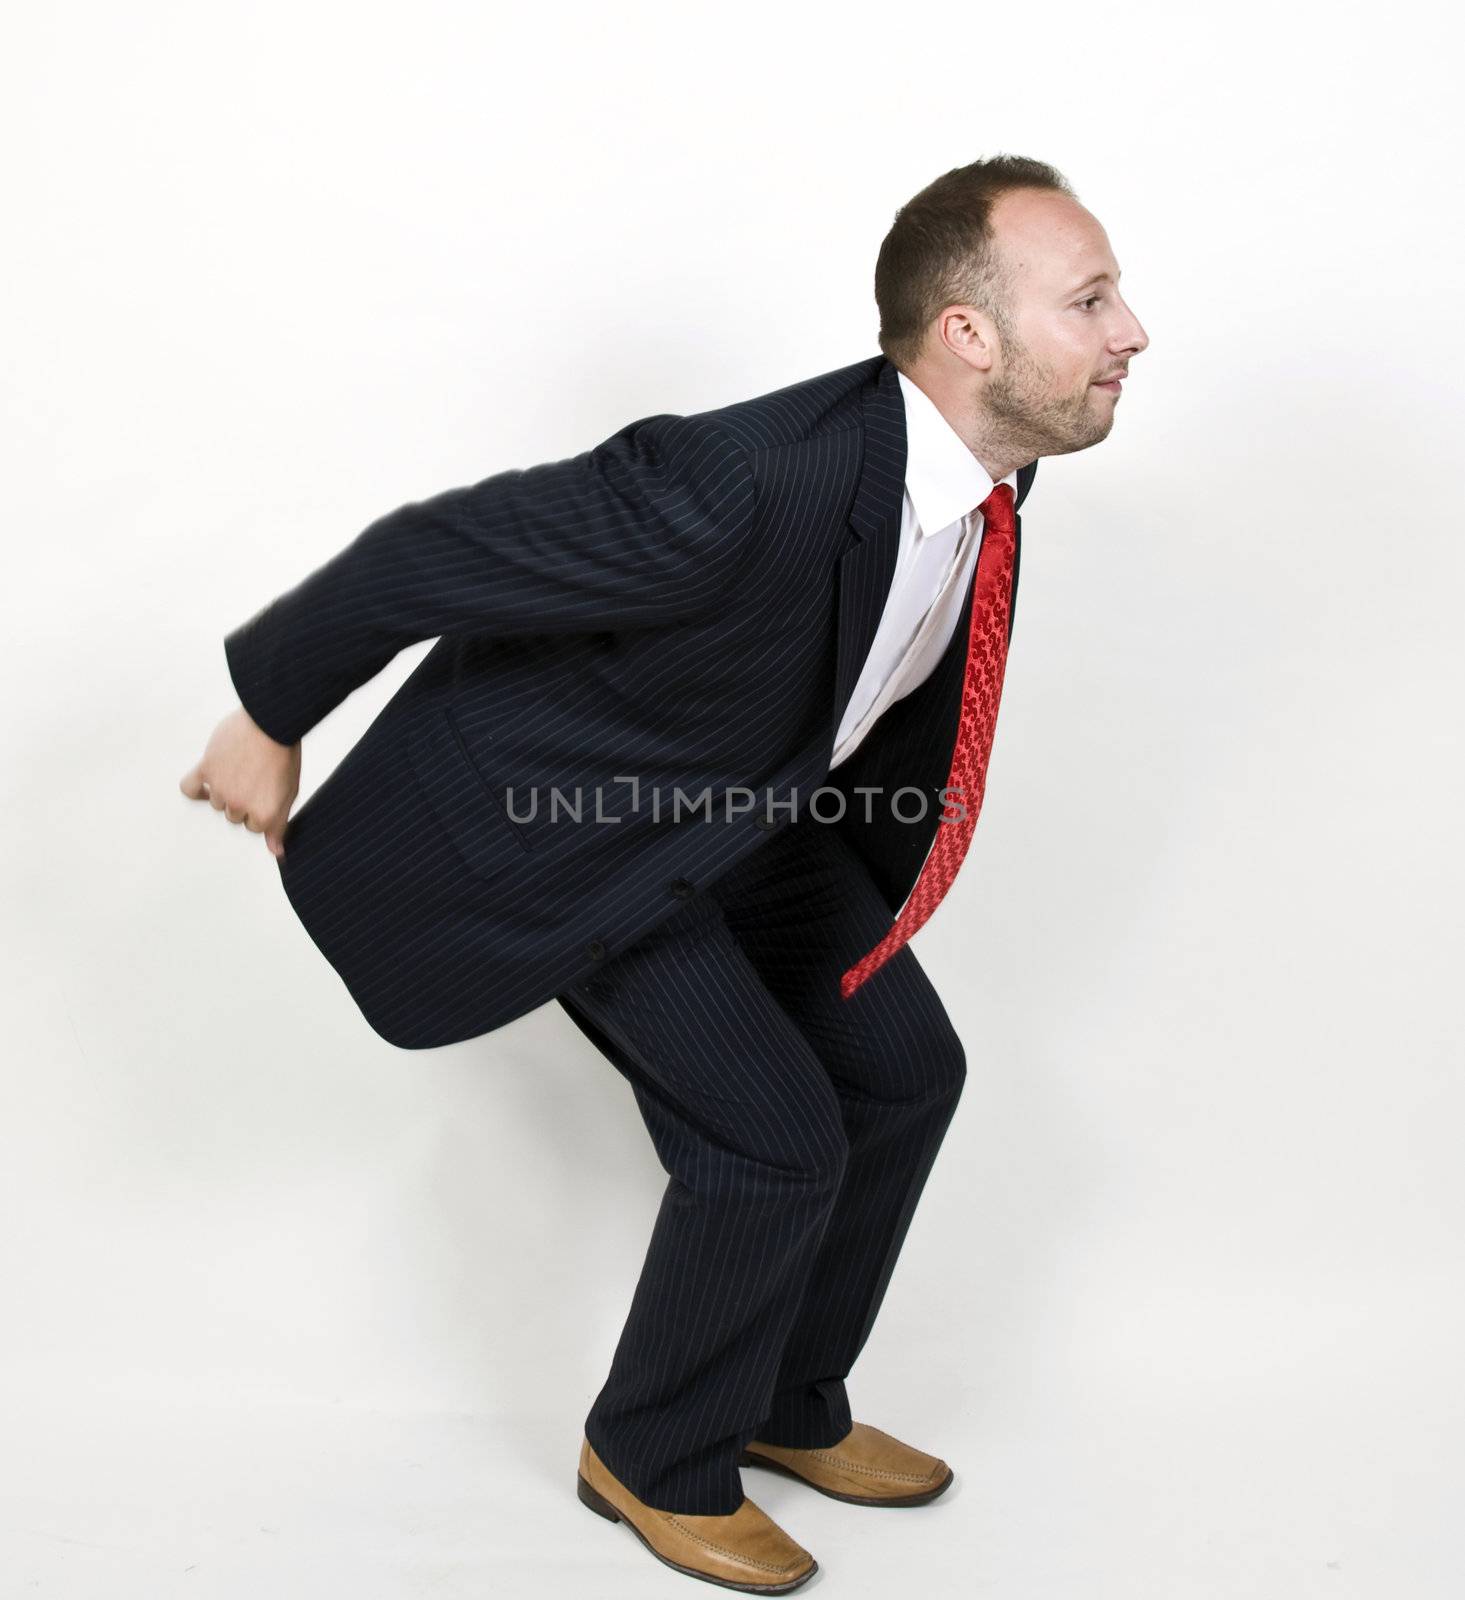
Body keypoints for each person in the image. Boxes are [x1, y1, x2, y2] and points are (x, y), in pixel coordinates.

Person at [180, 153, 1148, 1594]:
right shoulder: (739, 478)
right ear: (967, 335)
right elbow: (428, 553)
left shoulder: (981, 482)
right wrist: (267, 713)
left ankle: (778, 1403)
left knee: (902, 1071)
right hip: (579, 835)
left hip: (746, 816)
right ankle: (652, 1451)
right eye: (1089, 298)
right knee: (772, 1140)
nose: (1130, 329)